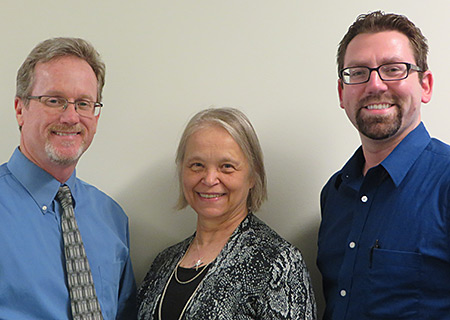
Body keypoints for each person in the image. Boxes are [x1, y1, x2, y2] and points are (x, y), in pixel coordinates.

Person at [317, 10, 450, 319]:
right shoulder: (335, 194)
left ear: (425, 85)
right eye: (359, 72)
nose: (375, 85)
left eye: (393, 69)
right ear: (342, 93)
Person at [0, 37, 137, 319]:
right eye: (54, 100)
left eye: (84, 103)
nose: (71, 117)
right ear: (19, 109)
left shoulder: (111, 217)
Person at [137, 107, 317, 319]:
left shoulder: (278, 262)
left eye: (227, 166)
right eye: (197, 165)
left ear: (252, 176)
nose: (210, 179)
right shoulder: (164, 262)